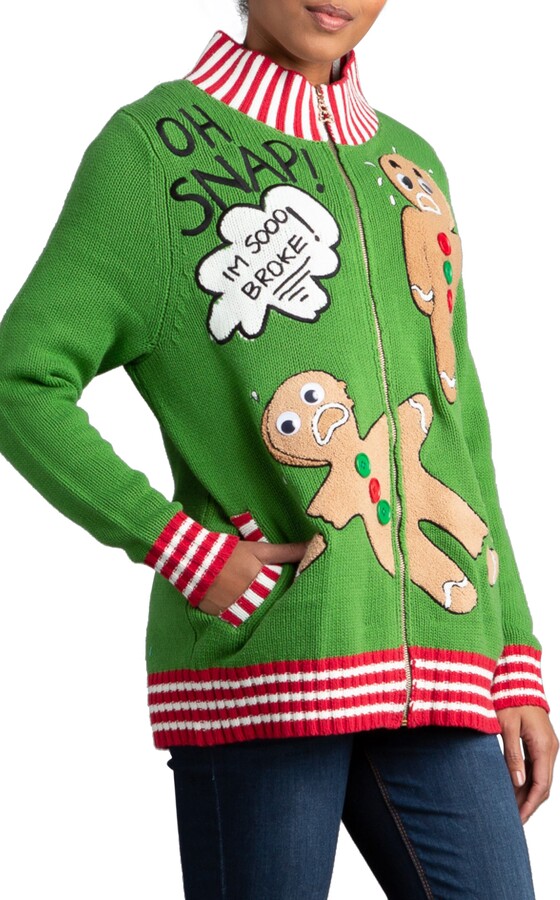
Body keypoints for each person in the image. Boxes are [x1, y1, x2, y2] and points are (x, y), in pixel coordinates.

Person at [0, 1, 557, 897]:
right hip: (266, 664)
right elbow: (20, 378)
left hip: (441, 662)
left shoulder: (411, 165)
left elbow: (462, 427)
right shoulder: (153, 154)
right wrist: (182, 548)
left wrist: (516, 658)